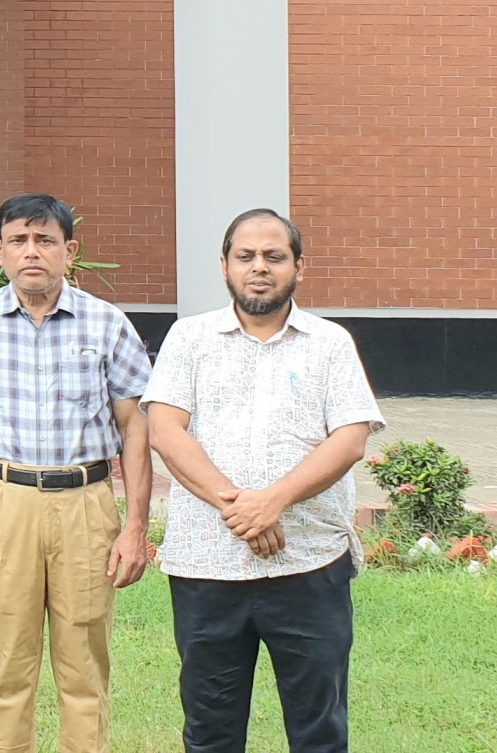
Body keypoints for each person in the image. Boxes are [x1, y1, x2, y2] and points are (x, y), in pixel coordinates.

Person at [144, 209, 385, 753]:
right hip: (207, 566)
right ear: (225, 266)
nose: (259, 267)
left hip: (308, 564)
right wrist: (243, 510)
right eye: (245, 256)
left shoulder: (330, 343)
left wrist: (274, 501)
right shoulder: (189, 338)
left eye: (274, 257)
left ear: (299, 267)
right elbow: (165, 431)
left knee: (319, 731)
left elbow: (350, 439)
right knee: (210, 731)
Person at [0, 193, 154, 753]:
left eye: (45, 241)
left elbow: (135, 426)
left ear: (69, 251)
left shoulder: (107, 324)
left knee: (84, 666)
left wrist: (135, 526)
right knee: (8, 664)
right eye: (19, 241)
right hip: (4, 502)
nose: (32, 252)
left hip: (86, 503)